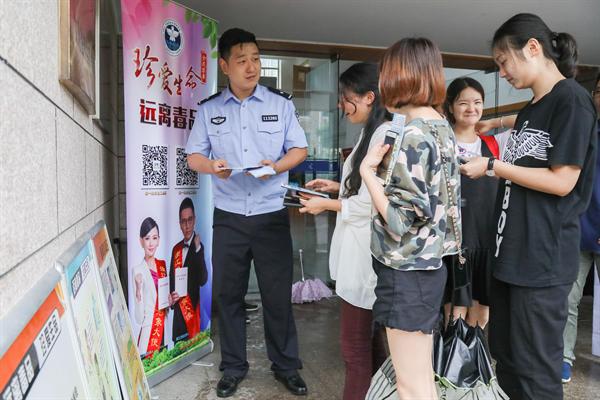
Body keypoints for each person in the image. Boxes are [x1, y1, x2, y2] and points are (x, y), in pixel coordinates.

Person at [461, 13, 598, 400]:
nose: (502, 72)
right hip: (511, 259)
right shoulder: (531, 108)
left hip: (541, 262)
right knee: (508, 364)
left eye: (504, 61)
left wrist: (492, 166)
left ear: (533, 48)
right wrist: (498, 124)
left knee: (536, 374)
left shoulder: (573, 100)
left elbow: (562, 181)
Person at [185, 28, 308, 398]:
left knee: (276, 296)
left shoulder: (279, 104)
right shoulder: (210, 110)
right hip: (229, 217)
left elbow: (299, 149)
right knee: (229, 296)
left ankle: (286, 366)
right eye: (242, 61)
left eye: (255, 59)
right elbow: (193, 156)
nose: (251, 67)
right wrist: (212, 166)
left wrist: (277, 166)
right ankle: (233, 367)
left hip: (271, 215)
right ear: (225, 66)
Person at [360, 37, 460, 399]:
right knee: (421, 381)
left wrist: (368, 172)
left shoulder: (413, 134)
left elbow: (399, 221)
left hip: (406, 271)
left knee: (411, 385)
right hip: (428, 268)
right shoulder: (441, 126)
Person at [298, 62, 389, 400]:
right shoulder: (369, 131)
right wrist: (337, 187)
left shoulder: (383, 135)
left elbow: (371, 204)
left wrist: (327, 204)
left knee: (355, 348)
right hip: (358, 253)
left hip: (364, 256)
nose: (342, 105)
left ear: (369, 97)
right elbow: (365, 190)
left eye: (346, 98)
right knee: (369, 347)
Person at [441, 77, 511, 328]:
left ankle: (476, 354)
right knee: (455, 315)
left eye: (478, 102)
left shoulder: (494, 143)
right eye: (463, 103)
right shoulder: (442, 142)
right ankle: (453, 355)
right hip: (454, 243)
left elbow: (534, 120)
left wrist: (495, 122)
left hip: (487, 241)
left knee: (482, 316)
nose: (471, 108)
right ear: (450, 107)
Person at [561, 72, 600, 383]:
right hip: (579, 229)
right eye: (599, 90)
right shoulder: (586, 129)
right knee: (567, 299)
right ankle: (563, 358)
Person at [169, 197, 208, 342]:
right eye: (183, 221)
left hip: (192, 316)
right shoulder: (175, 249)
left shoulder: (199, 247)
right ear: (179, 224)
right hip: (178, 318)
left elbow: (203, 280)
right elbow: (171, 281)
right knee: (177, 351)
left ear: (194, 220)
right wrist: (170, 298)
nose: (187, 225)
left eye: (190, 220)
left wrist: (197, 249)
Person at [132, 217, 167, 357]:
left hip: (164, 329)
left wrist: (170, 300)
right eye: (147, 238)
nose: (151, 243)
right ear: (141, 241)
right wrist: (138, 289)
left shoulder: (163, 265)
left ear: (159, 240)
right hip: (149, 335)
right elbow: (139, 318)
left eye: (154, 238)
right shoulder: (137, 270)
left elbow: (165, 302)